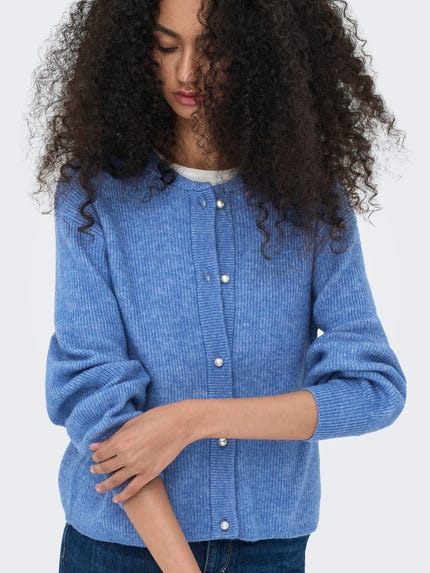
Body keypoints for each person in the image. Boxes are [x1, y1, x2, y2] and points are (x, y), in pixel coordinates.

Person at [29, 0, 408, 571]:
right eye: (166, 47)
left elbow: (374, 389)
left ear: (262, 53)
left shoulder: (311, 199)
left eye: (213, 49)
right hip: (119, 550)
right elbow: (94, 402)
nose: (186, 73)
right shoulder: (94, 195)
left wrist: (195, 419)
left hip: (270, 551)